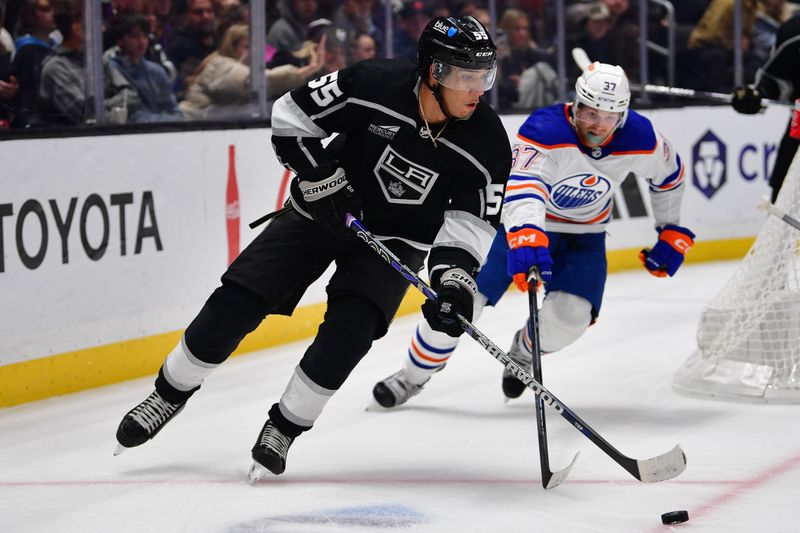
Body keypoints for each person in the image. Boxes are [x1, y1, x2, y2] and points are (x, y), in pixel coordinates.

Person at [114, 15, 511, 479]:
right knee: (238, 298)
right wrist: (321, 177)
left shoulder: (488, 144)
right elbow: (290, 115)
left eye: (485, 76)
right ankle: (169, 393)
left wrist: (456, 283)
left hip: (398, 238)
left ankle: (284, 426)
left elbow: (469, 224)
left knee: (352, 330)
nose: (478, 88)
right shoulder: (372, 82)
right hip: (322, 210)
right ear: (434, 72)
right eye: (468, 76)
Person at [372, 61, 694, 408]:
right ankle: (412, 376)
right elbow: (525, 186)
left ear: (623, 115)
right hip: (512, 229)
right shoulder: (545, 129)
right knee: (460, 302)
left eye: (608, 116)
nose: (598, 125)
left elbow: (669, 175)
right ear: (575, 104)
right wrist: (526, 232)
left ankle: (524, 350)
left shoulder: (642, 139)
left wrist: (670, 227)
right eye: (589, 113)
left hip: (582, 237)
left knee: (572, 317)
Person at [178, 23, 323, 118]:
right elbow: (255, 82)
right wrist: (303, 72)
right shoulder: (220, 65)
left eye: (256, 47)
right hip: (187, 124)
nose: (254, 52)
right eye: (246, 46)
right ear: (232, 47)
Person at [731, 12, 800, 202]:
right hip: (798, 138)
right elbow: (777, 80)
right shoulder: (795, 32)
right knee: (784, 206)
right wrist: (758, 94)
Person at [107, 14, 182, 122]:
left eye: (145, 36)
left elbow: (173, 109)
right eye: (135, 36)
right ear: (120, 40)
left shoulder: (156, 71)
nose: (141, 41)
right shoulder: (112, 69)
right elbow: (131, 116)